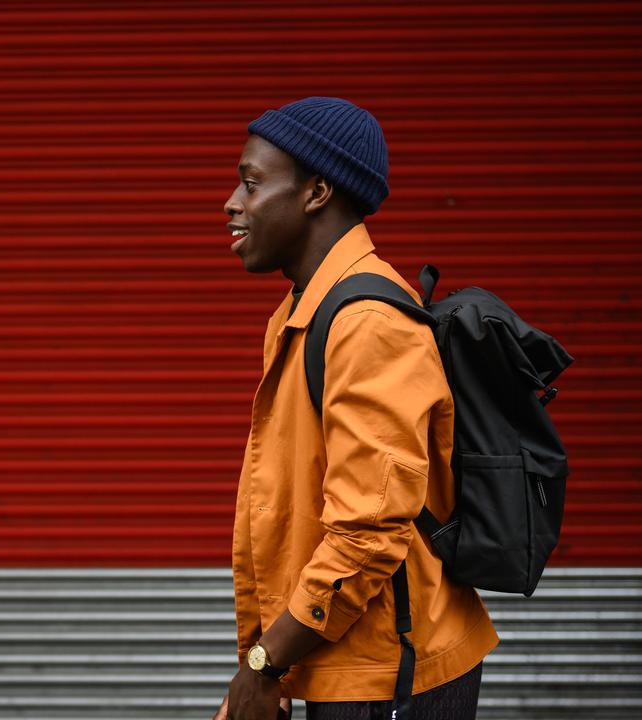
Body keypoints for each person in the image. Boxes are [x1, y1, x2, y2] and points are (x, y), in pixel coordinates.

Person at [213, 98, 498, 720]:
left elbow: (368, 532)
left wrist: (265, 664)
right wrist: (267, 662)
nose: (233, 202)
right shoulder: (302, 313)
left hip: (391, 676)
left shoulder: (368, 324)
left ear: (316, 192)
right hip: (332, 658)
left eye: (252, 182)